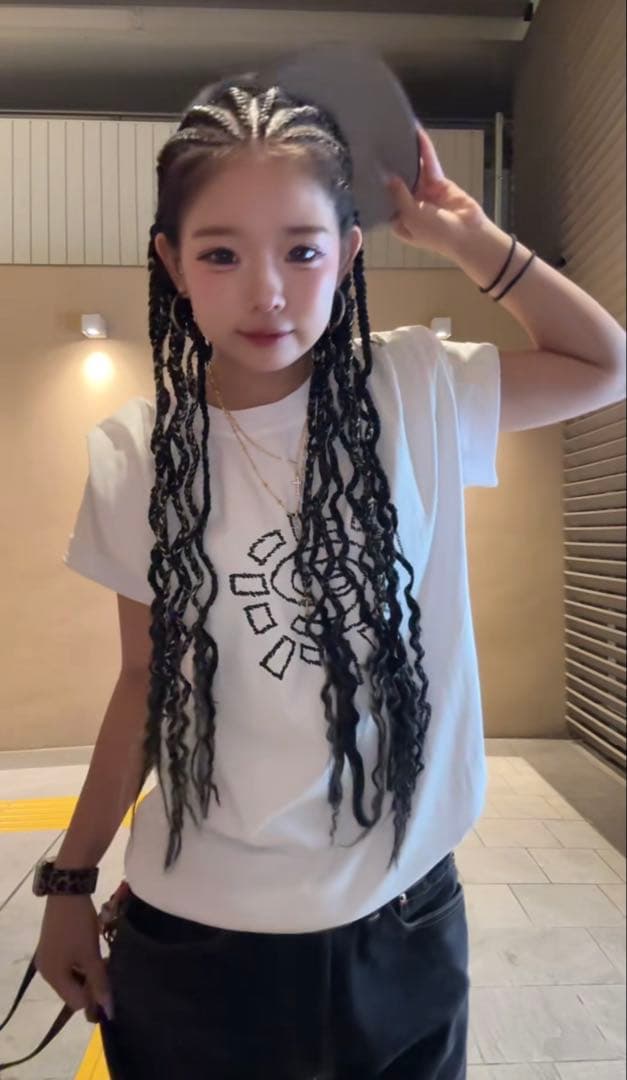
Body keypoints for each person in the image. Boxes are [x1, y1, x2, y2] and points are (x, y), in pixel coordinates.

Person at [31, 72, 625, 1080]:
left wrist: (471, 238)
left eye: (302, 251)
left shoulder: (416, 387)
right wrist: (70, 882)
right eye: (222, 253)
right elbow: (143, 681)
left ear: (350, 254)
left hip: (402, 923)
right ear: (172, 262)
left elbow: (603, 364)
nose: (266, 289)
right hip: (195, 938)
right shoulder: (137, 453)